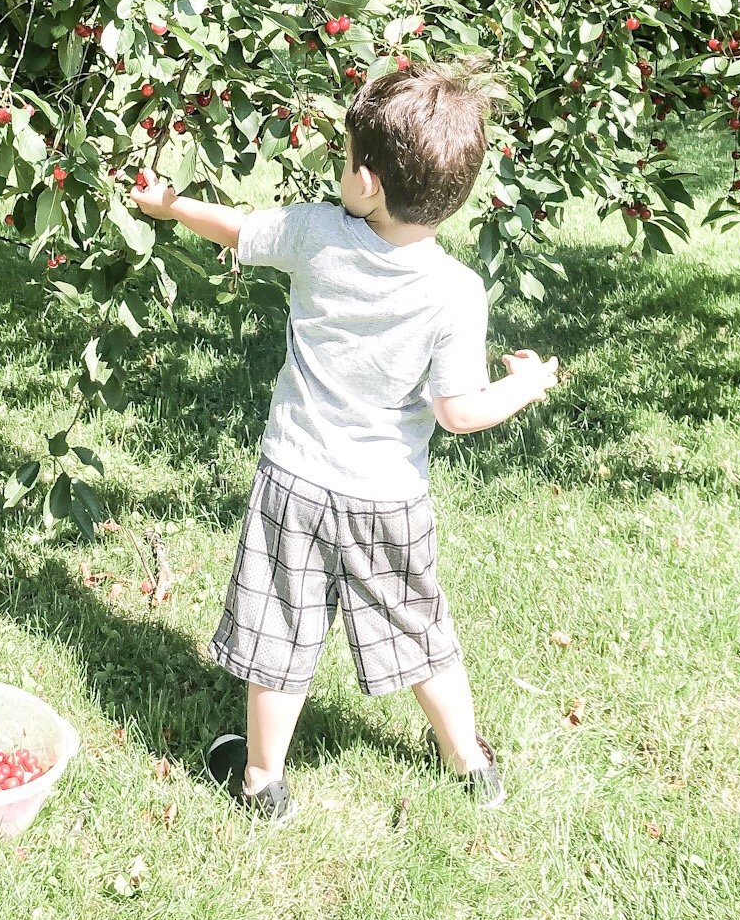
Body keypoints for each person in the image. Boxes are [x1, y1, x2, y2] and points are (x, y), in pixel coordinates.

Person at [129, 59, 557, 824]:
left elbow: (234, 227)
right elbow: (458, 412)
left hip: (294, 479)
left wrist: (170, 205)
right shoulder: (457, 291)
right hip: (388, 494)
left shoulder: (317, 234)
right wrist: (524, 386)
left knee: (280, 632)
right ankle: (469, 764)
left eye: (345, 155)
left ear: (367, 183)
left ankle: (263, 782)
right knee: (419, 625)